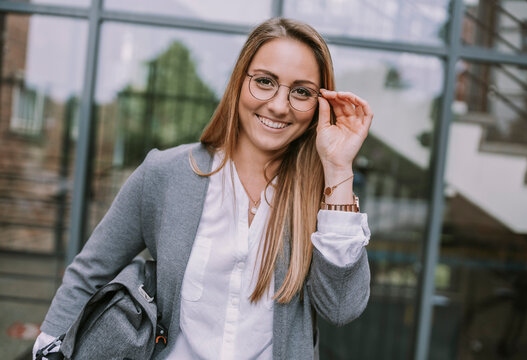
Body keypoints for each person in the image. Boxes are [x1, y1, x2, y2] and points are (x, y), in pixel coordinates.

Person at [33, 17, 373, 359]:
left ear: (319, 104)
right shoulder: (165, 174)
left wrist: (338, 168)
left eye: (301, 92)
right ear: (239, 81)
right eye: (265, 82)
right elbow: (89, 273)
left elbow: (341, 309)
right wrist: (47, 349)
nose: (279, 106)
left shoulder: (322, 198)